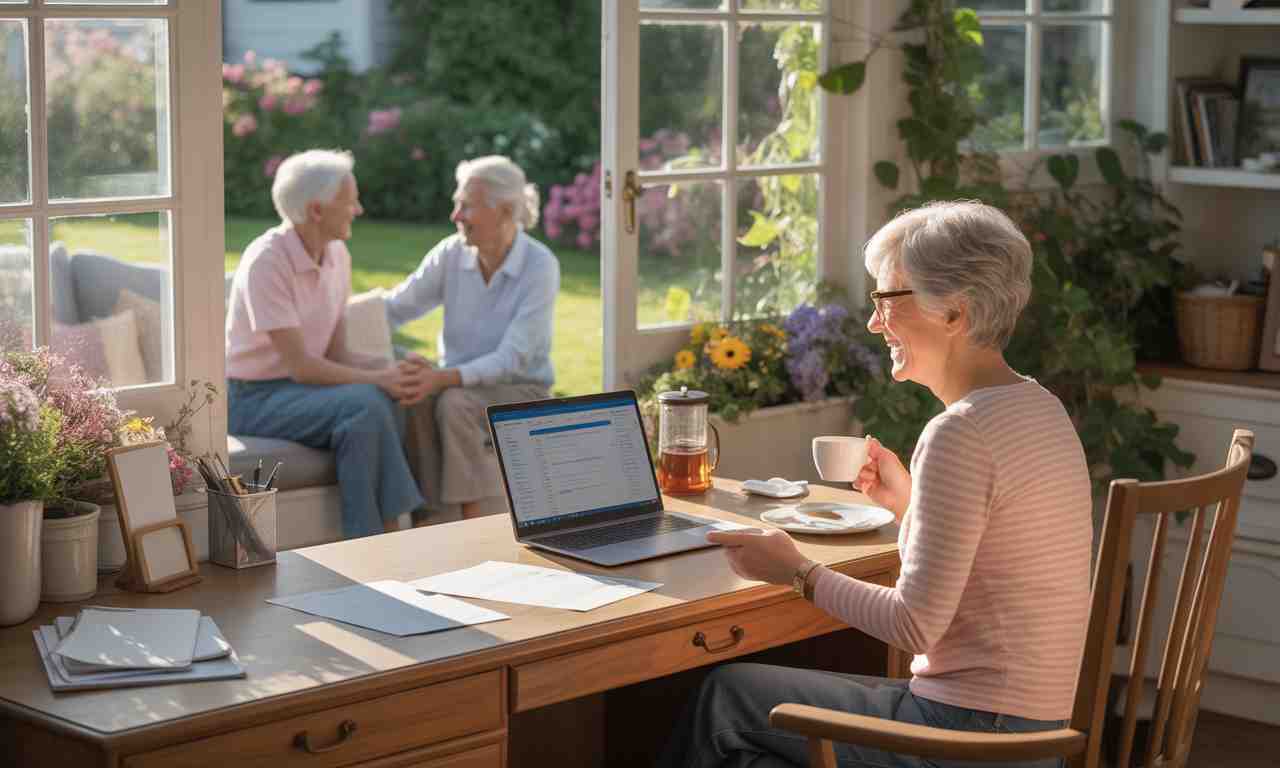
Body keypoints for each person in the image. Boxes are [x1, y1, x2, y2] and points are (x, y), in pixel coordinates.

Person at [659, 201, 1094, 768]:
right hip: (1029, 736)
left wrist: (795, 570)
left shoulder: (959, 433)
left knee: (727, 698)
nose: (873, 322)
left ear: (954, 314)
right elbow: (999, 558)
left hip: (966, 737)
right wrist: (909, 502)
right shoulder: (1039, 407)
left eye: (888, 300)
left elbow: (913, 626)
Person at [225, 149, 425, 539]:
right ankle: (384, 537)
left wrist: (389, 371)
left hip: (300, 389)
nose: (359, 209)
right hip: (250, 398)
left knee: (383, 402)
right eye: (349, 201)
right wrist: (378, 380)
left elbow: (334, 356)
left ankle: (379, 538)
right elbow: (302, 365)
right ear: (317, 211)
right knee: (367, 401)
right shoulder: (266, 261)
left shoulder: (337, 254)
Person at [386, 156, 560, 521]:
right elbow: (398, 306)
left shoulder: (539, 265)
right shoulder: (452, 253)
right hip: (460, 382)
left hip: (522, 389)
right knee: (413, 386)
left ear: (507, 210)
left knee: (454, 403)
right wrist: (334, 315)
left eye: (466, 206)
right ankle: (429, 516)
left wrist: (443, 378)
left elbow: (513, 358)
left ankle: (470, 524)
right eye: (456, 203)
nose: (455, 215)